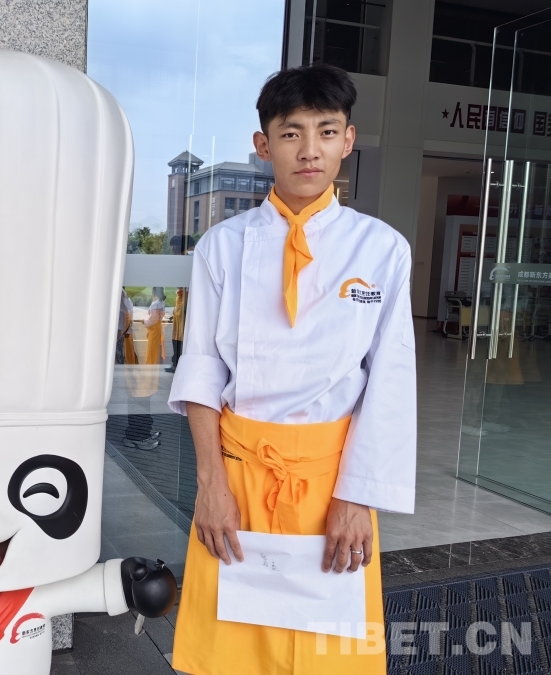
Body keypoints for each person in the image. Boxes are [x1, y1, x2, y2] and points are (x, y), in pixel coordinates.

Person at [168, 64, 416, 674]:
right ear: (263, 144)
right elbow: (201, 369)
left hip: (332, 487)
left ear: (347, 140)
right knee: (231, 653)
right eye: (290, 133)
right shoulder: (221, 246)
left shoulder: (382, 249)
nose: (310, 150)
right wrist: (211, 487)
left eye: (326, 132)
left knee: (326, 655)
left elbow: (389, 381)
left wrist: (356, 499)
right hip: (238, 479)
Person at [123, 287, 166, 450]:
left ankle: (142, 432)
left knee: (142, 394)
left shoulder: (124, 299)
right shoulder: (123, 300)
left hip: (138, 354)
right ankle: (137, 436)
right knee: (139, 394)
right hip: (135, 355)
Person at [166, 236, 194, 373]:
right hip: (183, 299)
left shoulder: (188, 257)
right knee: (180, 332)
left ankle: (177, 361)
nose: (173, 250)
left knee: (179, 333)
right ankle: (176, 361)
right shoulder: (193, 256)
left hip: (185, 299)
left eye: (173, 247)